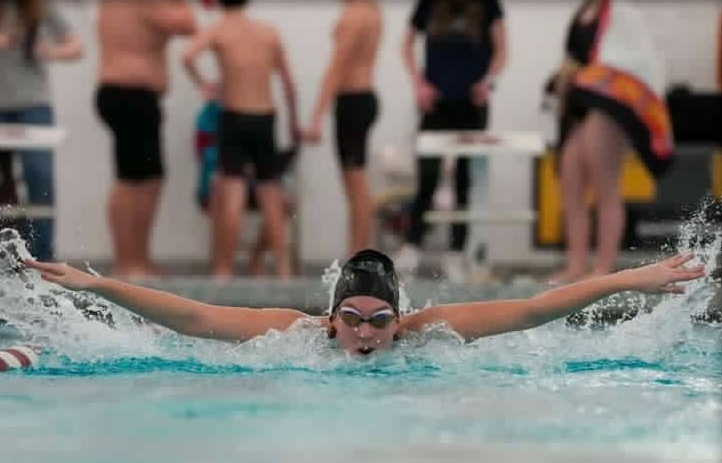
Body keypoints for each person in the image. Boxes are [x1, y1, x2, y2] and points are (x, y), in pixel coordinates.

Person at [24, 248, 705, 356]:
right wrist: (100, 284)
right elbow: (197, 316)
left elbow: (534, 307)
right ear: (332, 315)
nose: (367, 334)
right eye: (353, 318)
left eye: (381, 320)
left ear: (399, 317)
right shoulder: (298, 333)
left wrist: (625, 279)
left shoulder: (424, 333)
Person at [547, 0, 674, 285]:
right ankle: (576, 264)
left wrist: (589, 76)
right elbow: (574, 58)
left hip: (607, 108)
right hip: (579, 108)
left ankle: (603, 268)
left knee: (606, 186)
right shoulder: (581, 12)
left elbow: (638, 63)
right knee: (571, 182)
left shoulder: (624, 15)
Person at [183, 0, 300, 279]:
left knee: (232, 190)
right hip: (264, 117)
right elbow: (288, 83)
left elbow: (187, 56)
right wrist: (294, 124)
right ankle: (284, 271)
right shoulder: (268, 31)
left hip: (234, 115)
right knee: (270, 192)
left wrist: (205, 85)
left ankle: (224, 269)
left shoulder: (219, 29)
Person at [394, 0, 507, 282]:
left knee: (464, 179)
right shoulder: (428, 5)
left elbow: (502, 50)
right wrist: (418, 83)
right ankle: (412, 245)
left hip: (472, 103)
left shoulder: (488, 6)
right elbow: (406, 44)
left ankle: (457, 251)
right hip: (436, 102)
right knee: (427, 177)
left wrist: (489, 82)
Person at [95, 0, 197, 278]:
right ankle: (129, 264)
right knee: (133, 182)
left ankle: (135, 260)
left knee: (145, 181)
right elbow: (187, 23)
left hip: (129, 96)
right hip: (130, 96)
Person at [0, 0, 83, 261]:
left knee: (39, 176)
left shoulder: (41, 8)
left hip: (34, 104)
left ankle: (43, 254)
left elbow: (76, 47)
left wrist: (47, 51)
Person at [303, 0, 383, 256]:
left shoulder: (353, 15)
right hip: (362, 99)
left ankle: (357, 256)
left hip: (353, 102)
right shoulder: (372, 11)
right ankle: (357, 253)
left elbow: (337, 67)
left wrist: (317, 117)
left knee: (355, 183)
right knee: (356, 182)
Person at [194, 99, 298, 276]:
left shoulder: (262, 117)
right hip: (226, 180)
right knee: (224, 191)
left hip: (254, 182)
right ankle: (222, 266)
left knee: (281, 200)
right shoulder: (214, 114)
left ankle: (259, 256)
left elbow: (271, 162)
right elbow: (206, 153)